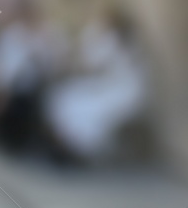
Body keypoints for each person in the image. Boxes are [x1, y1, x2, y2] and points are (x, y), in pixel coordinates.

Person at [44, 11, 148, 162]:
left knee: (85, 107)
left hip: (122, 91)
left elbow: (93, 63)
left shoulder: (113, 42)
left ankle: (73, 148)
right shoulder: (116, 43)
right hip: (115, 87)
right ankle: (68, 144)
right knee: (72, 97)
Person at [0, 5, 67, 155]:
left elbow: (49, 63)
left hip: (26, 85)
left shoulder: (47, 35)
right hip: (2, 78)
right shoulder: (12, 33)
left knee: (14, 100)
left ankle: (11, 139)